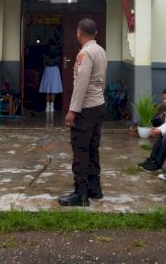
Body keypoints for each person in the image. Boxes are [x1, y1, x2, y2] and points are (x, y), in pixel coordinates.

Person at [58, 18, 108, 207]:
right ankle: (95, 188)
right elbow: (101, 81)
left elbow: (81, 84)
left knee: (80, 150)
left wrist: (72, 110)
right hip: (98, 105)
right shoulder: (101, 51)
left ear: (79, 32)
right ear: (95, 33)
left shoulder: (85, 53)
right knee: (93, 147)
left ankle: (80, 194)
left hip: (86, 108)